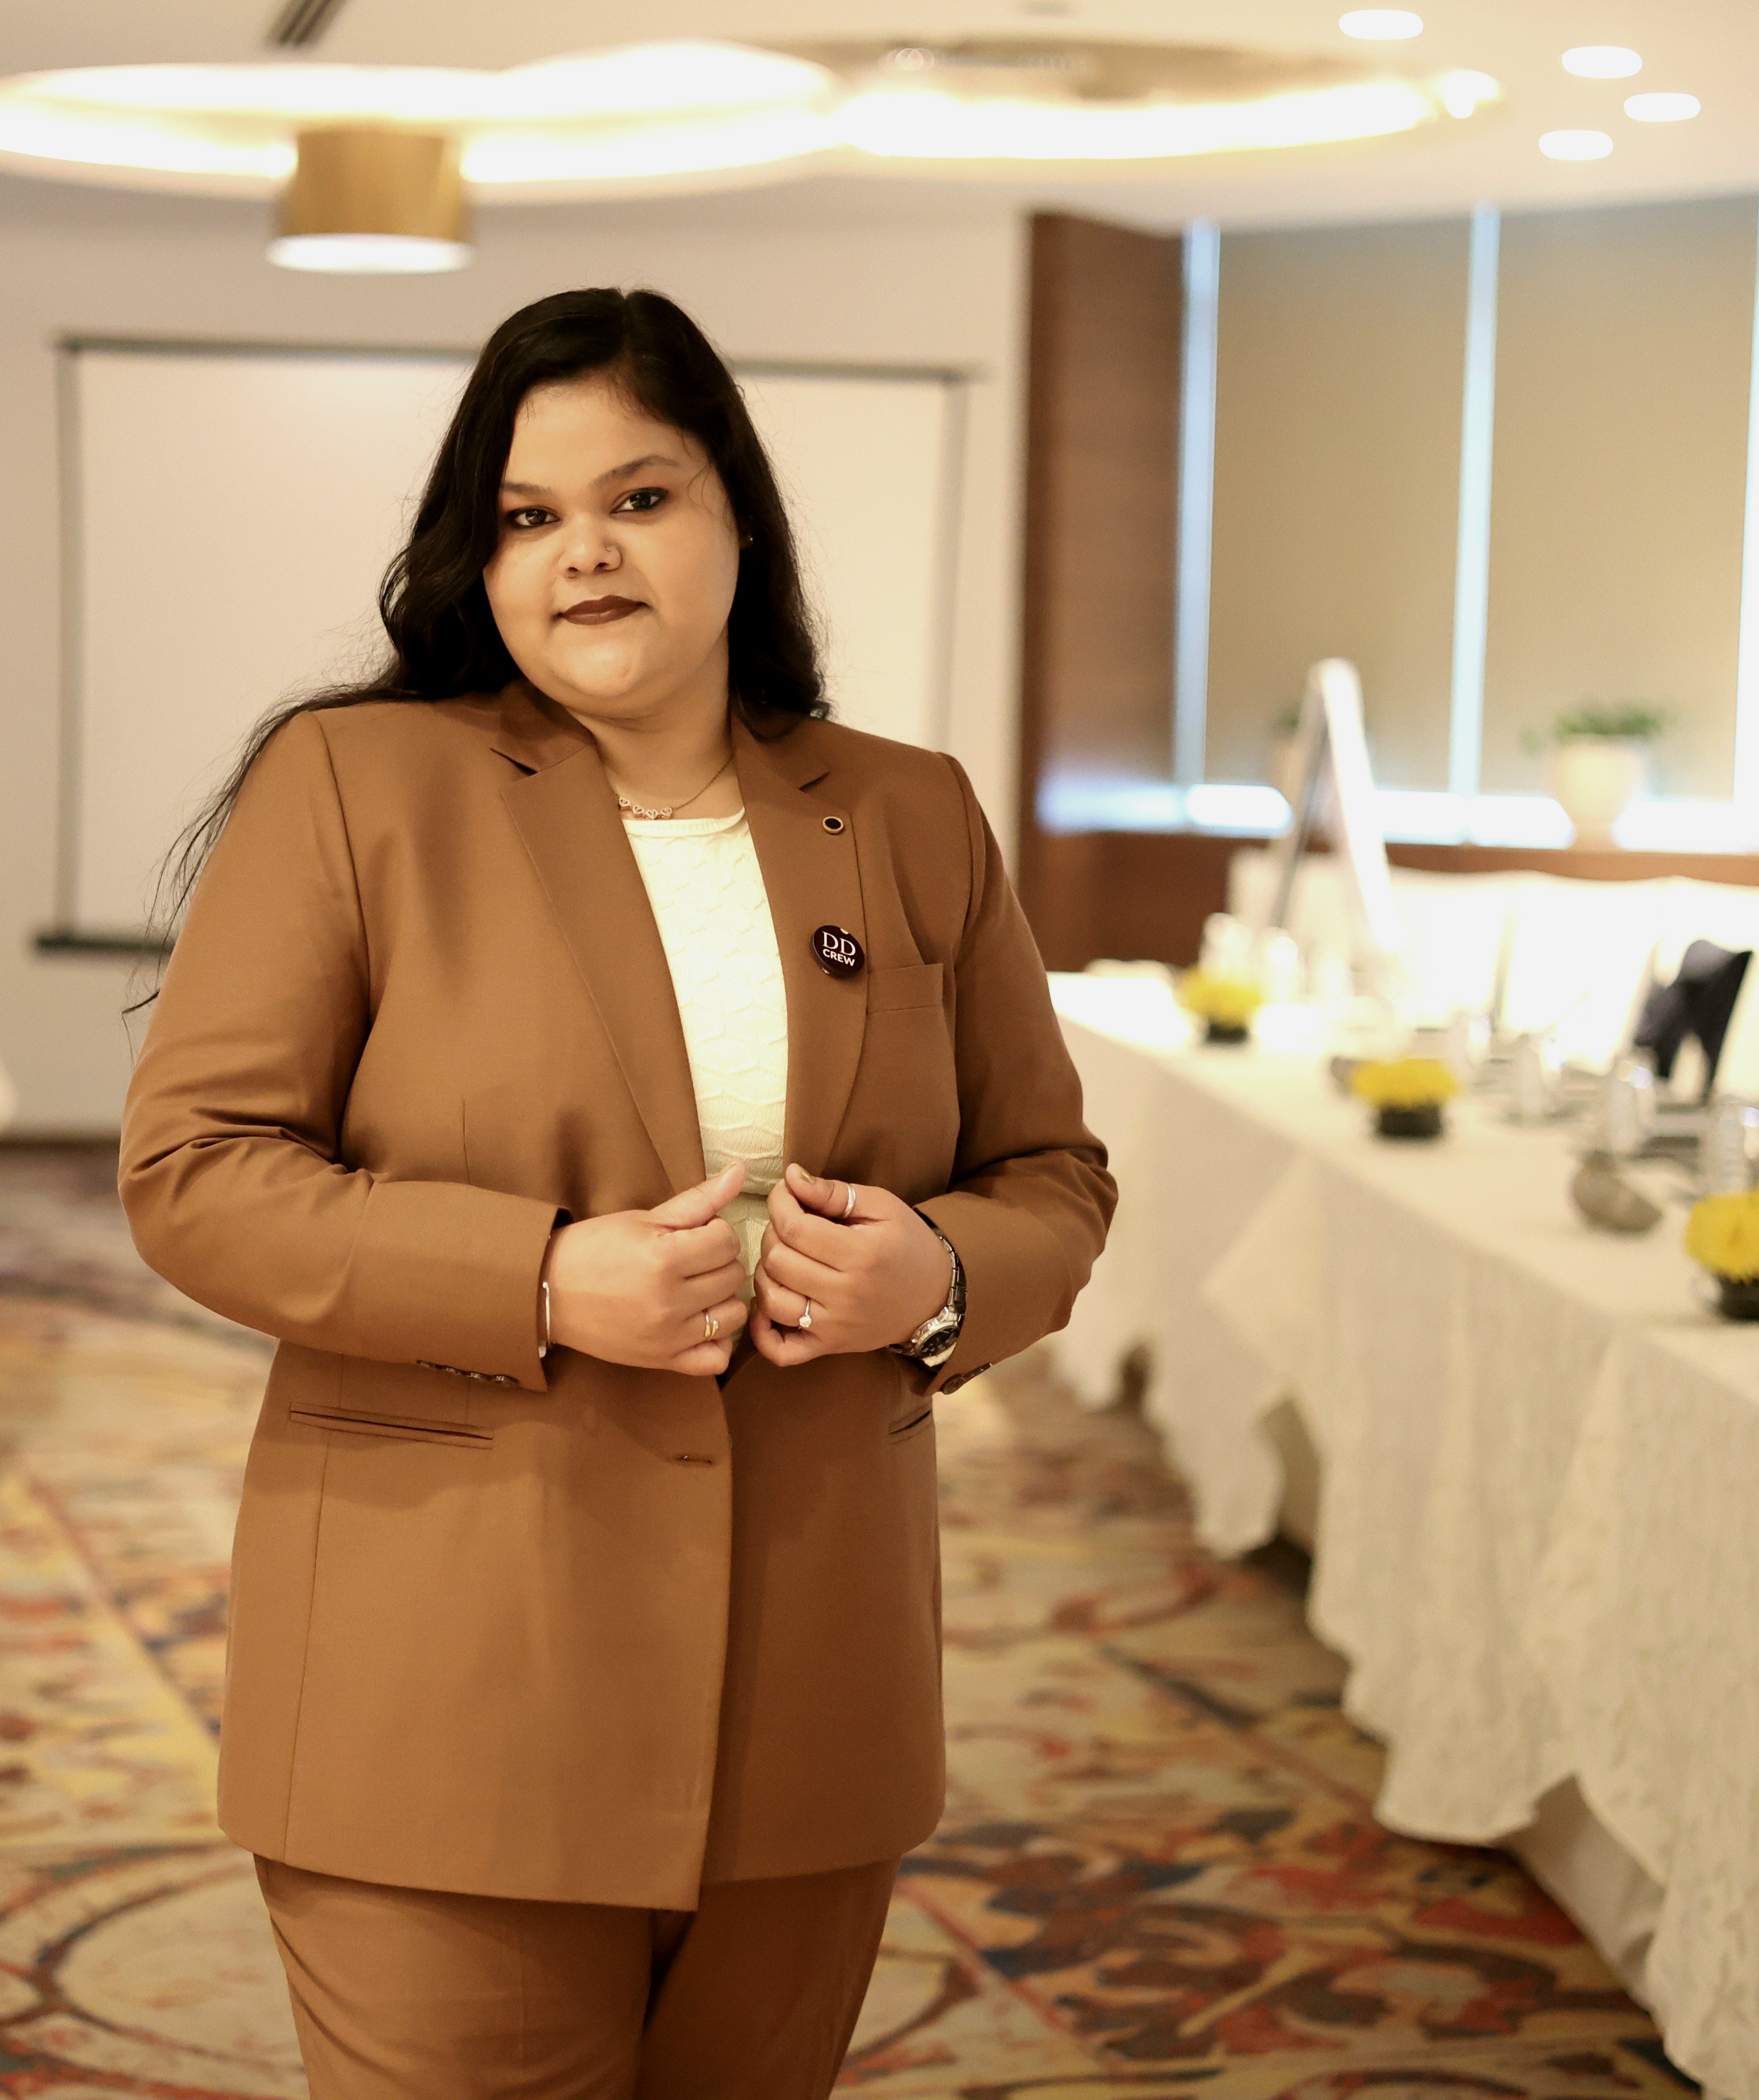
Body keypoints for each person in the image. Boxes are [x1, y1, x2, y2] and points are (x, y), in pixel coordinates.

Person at [119, 288, 1113, 2097]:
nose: (582, 553)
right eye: (526, 516)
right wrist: (541, 1280)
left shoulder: (909, 814)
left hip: (815, 1684)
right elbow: (197, 1176)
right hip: (447, 1679)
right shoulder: (356, 784)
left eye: (639, 500)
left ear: (740, 518)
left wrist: (943, 1276)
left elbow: (1050, 1173)